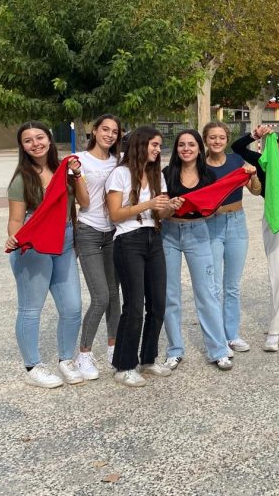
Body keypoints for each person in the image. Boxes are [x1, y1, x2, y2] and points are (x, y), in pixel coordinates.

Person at [5, 121, 88, 388]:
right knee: (31, 308)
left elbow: (84, 202)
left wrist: (77, 174)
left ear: (49, 140)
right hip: (35, 243)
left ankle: (66, 359)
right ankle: (32, 366)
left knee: (72, 307)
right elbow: (16, 220)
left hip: (64, 241)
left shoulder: (65, 171)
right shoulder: (21, 179)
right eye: (28, 140)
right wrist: (15, 237)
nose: (35, 144)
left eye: (39, 137)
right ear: (22, 146)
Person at [105, 125, 180, 387]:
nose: (158, 149)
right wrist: (148, 204)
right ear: (141, 144)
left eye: (159, 145)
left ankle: (148, 359)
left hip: (154, 238)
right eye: (154, 144)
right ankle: (124, 365)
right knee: (134, 306)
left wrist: (170, 207)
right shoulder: (120, 174)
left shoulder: (157, 174)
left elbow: (162, 214)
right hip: (128, 240)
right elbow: (115, 214)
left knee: (158, 303)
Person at [161, 129, 234, 372]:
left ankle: (218, 350)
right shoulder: (166, 174)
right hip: (169, 233)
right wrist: (170, 207)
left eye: (191, 144)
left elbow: (214, 209)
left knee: (206, 293)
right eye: (181, 144)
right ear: (176, 149)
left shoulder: (208, 175)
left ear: (199, 149)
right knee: (170, 294)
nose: (186, 149)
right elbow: (160, 212)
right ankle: (174, 350)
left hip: (198, 233)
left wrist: (204, 206)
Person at [232, 126, 279, 352]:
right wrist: (255, 135)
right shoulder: (264, 162)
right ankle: (274, 331)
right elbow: (237, 147)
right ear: (277, 143)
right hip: (275, 218)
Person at [72, 115, 122, 380]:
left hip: (113, 232)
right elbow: (82, 202)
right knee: (100, 296)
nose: (109, 135)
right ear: (94, 130)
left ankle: (114, 348)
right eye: (105, 129)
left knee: (114, 295)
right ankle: (84, 353)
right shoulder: (79, 160)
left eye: (114, 131)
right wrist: (77, 174)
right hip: (88, 231)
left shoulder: (119, 161)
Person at [204, 121, 258, 354]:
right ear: (206, 140)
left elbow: (255, 190)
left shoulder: (236, 161)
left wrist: (253, 174)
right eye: (212, 137)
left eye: (221, 137)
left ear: (226, 140)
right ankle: (218, 338)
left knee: (232, 286)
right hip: (211, 226)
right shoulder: (199, 165)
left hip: (237, 223)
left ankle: (232, 334)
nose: (217, 141)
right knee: (214, 286)